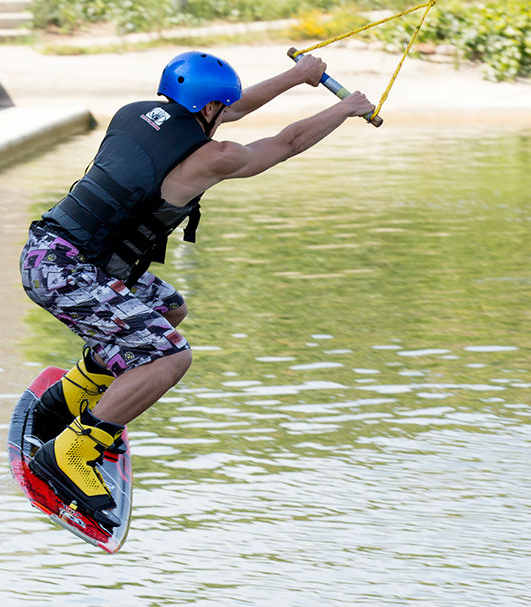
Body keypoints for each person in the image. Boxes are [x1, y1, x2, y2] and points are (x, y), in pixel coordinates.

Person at [19, 50, 374, 528]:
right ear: (209, 108)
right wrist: (345, 107)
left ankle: (65, 400)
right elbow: (287, 142)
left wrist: (298, 76)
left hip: (51, 252)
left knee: (168, 309)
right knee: (170, 357)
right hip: (68, 273)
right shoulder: (216, 157)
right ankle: (72, 452)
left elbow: (233, 107)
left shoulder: (135, 113)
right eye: (219, 107)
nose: (226, 112)